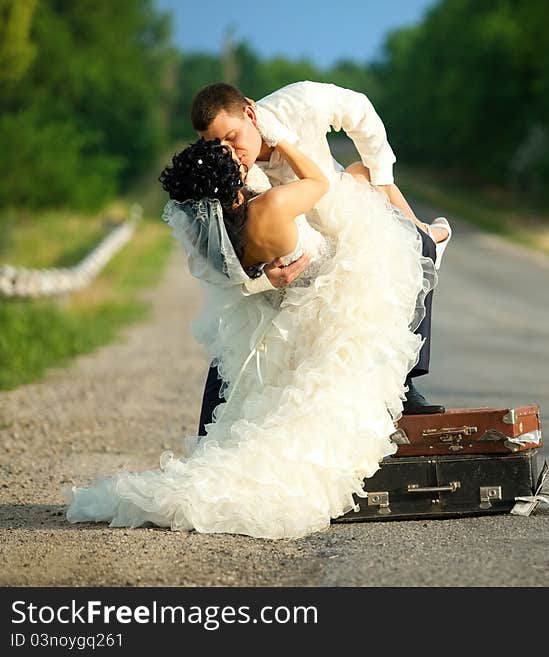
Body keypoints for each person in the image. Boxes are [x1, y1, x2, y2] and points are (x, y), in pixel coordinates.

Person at [64, 127, 437, 539]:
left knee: (260, 389)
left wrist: (264, 278)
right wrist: (284, 144)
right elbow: (317, 182)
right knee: (382, 208)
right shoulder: (272, 205)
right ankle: (429, 234)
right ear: (236, 182)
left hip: (284, 305)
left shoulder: (216, 235)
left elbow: (235, 280)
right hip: (327, 289)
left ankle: (428, 234)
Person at [190, 82, 450, 434]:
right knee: (245, 329)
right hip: (295, 249)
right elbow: (222, 256)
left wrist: (382, 178)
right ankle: (213, 431)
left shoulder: (300, 102)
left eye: (232, 137)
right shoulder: (228, 173)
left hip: (337, 208)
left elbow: (360, 111)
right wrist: (264, 276)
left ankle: (404, 383)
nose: (228, 152)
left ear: (250, 114)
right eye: (215, 145)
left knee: (415, 250)